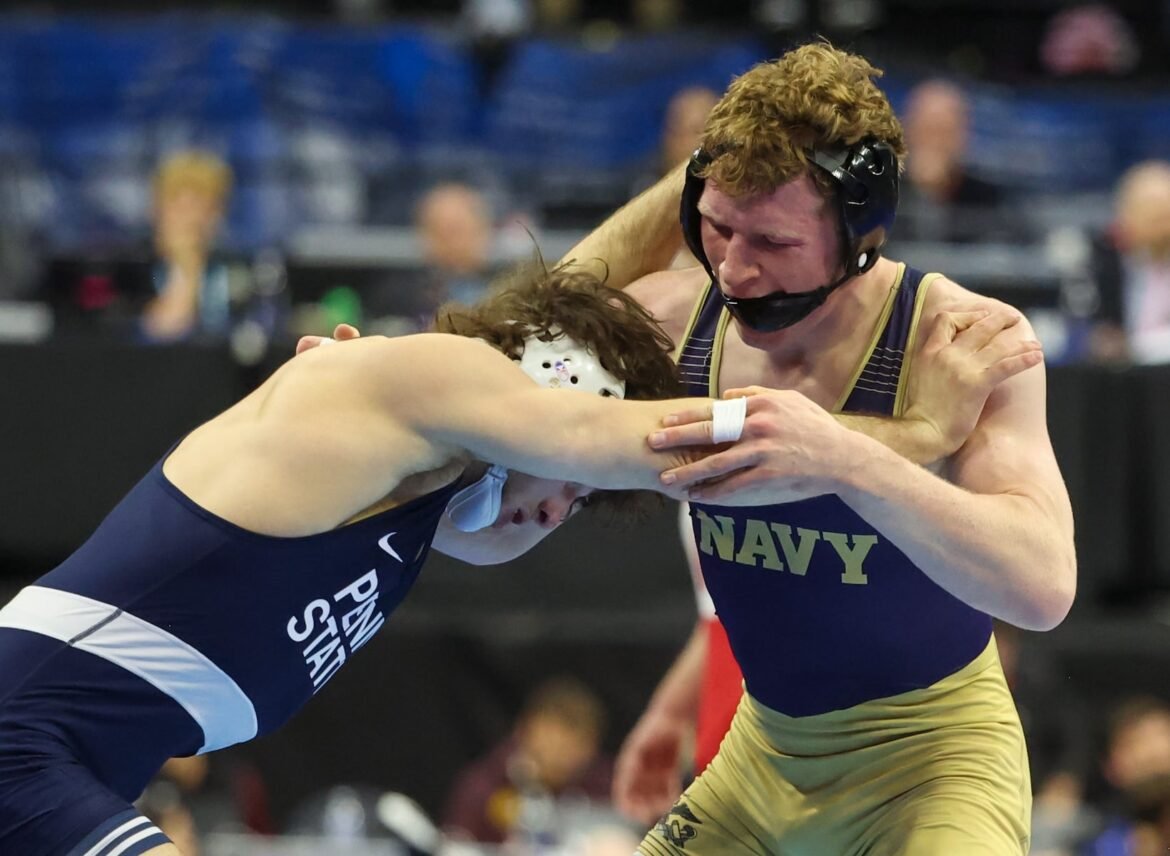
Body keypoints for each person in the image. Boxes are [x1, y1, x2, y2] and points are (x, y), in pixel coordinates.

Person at [0, 261, 715, 856]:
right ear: (546, 398)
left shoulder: (410, 482)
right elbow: (613, 420)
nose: (558, 511)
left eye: (582, 503)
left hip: (59, 767)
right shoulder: (407, 381)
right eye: (572, 479)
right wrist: (827, 443)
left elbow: (588, 295)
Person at [573, 41, 1075, 854]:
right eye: (716, 225)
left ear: (860, 232)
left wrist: (845, 457)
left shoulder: (958, 341)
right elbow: (535, 334)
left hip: (934, 765)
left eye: (771, 242)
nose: (734, 270)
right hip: (766, 753)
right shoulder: (678, 319)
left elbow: (1043, 586)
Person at [442, 676, 614, 846]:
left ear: (593, 746)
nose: (559, 756)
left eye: (576, 743)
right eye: (551, 742)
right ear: (523, 731)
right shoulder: (482, 788)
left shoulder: (611, 789)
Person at [139, 151, 239, 342]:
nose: (189, 219)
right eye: (178, 206)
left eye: (201, 207)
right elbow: (165, 332)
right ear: (155, 210)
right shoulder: (135, 268)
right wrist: (187, 266)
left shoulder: (233, 268)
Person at [1084, 160, 1170, 365]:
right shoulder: (1103, 260)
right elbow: (1088, 329)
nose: (1162, 225)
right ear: (1125, 215)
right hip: (1127, 378)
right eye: (1151, 214)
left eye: (1164, 213)